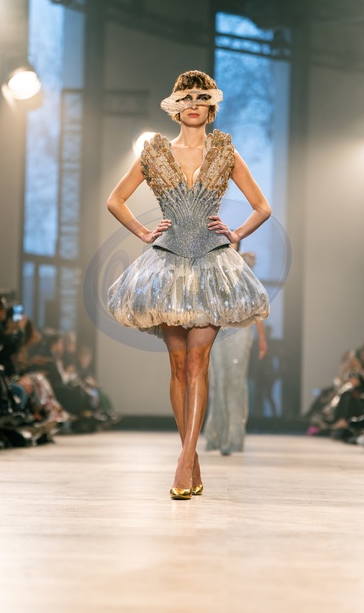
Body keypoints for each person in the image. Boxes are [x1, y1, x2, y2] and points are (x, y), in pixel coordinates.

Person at [106, 70, 271, 499]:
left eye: (201, 98)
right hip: (167, 266)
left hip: (213, 265)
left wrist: (236, 233)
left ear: (211, 106)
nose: (193, 104)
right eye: (186, 98)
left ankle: (183, 463)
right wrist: (143, 233)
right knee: (178, 366)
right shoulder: (155, 152)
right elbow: (115, 199)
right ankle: (191, 458)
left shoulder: (225, 152)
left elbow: (262, 206)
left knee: (199, 363)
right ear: (175, 106)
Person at [204, 245, 267, 455]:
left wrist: (262, 338)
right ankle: (217, 436)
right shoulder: (211, 265)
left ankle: (233, 438)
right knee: (218, 381)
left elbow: (256, 302)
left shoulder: (244, 265)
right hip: (218, 330)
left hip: (241, 329)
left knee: (236, 381)